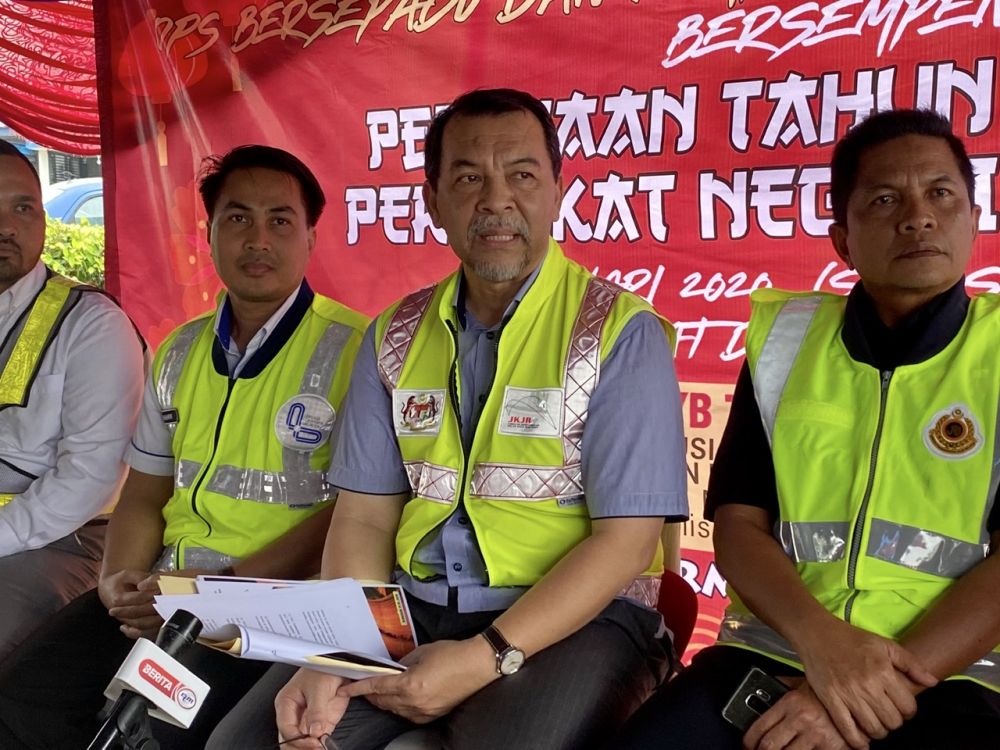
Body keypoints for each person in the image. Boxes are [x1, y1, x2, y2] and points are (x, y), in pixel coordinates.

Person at [207, 88, 689, 750]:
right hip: (415, 608)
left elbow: (627, 543)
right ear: (433, 201)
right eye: (467, 177)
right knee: (248, 744)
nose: (496, 200)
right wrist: (335, 653)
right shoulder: (393, 336)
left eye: (521, 175)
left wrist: (485, 657)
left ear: (556, 191)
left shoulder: (618, 333)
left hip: (578, 620)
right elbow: (366, 517)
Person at [617, 108, 1000, 750]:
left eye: (941, 194)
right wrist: (826, 652)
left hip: (948, 674)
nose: (918, 216)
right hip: (776, 651)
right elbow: (739, 527)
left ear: (974, 218)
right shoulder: (787, 344)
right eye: (885, 198)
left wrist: (863, 687)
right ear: (843, 239)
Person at [0, 145, 369, 749]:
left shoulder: (356, 350)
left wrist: (213, 596)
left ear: (311, 237)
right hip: (169, 591)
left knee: (145, 731)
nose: (257, 239)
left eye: (280, 220)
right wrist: (119, 577)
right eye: (237, 218)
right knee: (24, 696)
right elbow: (145, 493)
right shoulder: (181, 350)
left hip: (275, 609)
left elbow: (353, 513)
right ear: (211, 234)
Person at [0, 142, 146, 664]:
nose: (8, 227)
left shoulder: (91, 325)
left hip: (66, 538)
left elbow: (88, 478)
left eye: (23, 208)